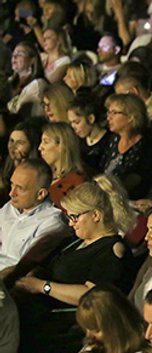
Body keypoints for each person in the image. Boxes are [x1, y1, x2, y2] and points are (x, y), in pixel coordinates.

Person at [14, 175, 136, 305]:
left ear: (95, 215)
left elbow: (93, 295)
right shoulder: (76, 241)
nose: (71, 224)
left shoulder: (111, 250)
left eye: (74, 217)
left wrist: (43, 286)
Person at [0, 159, 68, 273]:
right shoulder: (9, 207)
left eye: (20, 188)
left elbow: (25, 267)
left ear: (41, 194)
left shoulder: (52, 222)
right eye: (12, 184)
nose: (11, 193)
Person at [100, 93, 152, 199]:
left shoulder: (148, 147)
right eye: (108, 112)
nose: (109, 117)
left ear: (131, 117)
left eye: (114, 113)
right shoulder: (110, 138)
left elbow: (137, 180)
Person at [38, 122, 86, 210]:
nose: (40, 147)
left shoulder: (77, 183)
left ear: (62, 146)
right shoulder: (41, 176)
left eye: (46, 142)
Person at [67, 96, 112, 172]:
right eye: (71, 123)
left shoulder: (109, 141)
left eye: (77, 122)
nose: (73, 127)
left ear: (91, 118)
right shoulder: (78, 141)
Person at [7, 41, 47, 119]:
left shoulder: (37, 84)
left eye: (20, 54)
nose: (14, 57)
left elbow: (18, 112)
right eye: (14, 54)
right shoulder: (10, 80)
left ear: (32, 60)